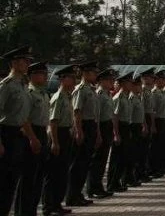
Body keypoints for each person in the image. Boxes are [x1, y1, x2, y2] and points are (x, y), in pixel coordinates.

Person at [0, 45, 33, 216]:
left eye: (28, 61)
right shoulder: (6, 85)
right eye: (24, 61)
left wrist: (31, 137)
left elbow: (23, 116)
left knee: (12, 181)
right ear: (14, 63)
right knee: (3, 181)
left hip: (18, 135)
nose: (27, 64)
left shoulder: (23, 85)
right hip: (6, 134)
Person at [15, 60, 49, 216]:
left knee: (38, 176)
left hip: (41, 133)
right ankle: (23, 211)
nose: (45, 76)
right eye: (41, 74)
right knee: (28, 178)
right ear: (32, 76)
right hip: (31, 133)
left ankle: (31, 210)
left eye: (45, 73)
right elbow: (25, 119)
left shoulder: (43, 93)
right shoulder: (28, 93)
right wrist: (32, 138)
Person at [43, 64, 77, 216]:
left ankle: (57, 204)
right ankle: (48, 206)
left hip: (66, 134)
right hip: (58, 135)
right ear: (62, 79)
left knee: (62, 172)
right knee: (53, 173)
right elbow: (53, 122)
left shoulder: (68, 96)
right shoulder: (58, 97)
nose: (74, 80)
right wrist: (55, 142)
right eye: (71, 77)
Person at [66, 60, 100, 207]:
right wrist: (79, 131)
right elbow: (77, 112)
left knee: (85, 163)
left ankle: (78, 194)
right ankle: (72, 196)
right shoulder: (80, 90)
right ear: (86, 73)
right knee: (78, 164)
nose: (96, 75)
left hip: (90, 125)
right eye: (93, 72)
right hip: (83, 126)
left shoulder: (91, 89)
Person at [87, 68, 115, 199]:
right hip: (101, 127)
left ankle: (98, 187)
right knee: (97, 160)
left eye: (112, 80)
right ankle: (93, 188)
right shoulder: (99, 94)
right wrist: (98, 133)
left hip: (107, 126)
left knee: (103, 159)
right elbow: (96, 116)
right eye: (109, 80)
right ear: (102, 81)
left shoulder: (107, 94)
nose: (112, 82)